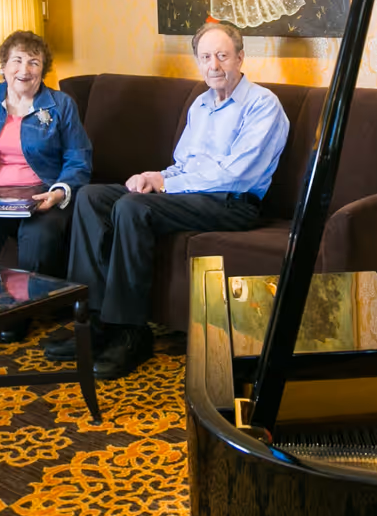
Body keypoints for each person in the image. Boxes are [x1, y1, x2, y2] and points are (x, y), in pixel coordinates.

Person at [51, 19, 291, 378]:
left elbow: (236, 174)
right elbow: (182, 166)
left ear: (240, 58)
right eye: (206, 57)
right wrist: (153, 177)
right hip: (192, 196)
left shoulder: (262, 105)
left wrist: (165, 184)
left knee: (133, 208)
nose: (214, 65)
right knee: (91, 198)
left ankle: (130, 332)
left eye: (223, 55)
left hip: (233, 203)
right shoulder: (200, 105)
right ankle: (93, 323)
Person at [0, 30, 91, 282]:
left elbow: (78, 160)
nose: (24, 69)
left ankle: (32, 305)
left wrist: (58, 193)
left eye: (34, 62)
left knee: (38, 240)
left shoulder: (61, 105)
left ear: (43, 70)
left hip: (42, 196)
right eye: (17, 60)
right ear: (3, 66)